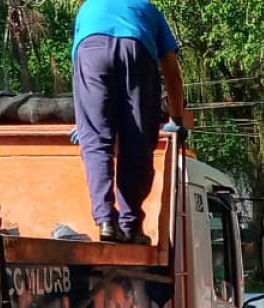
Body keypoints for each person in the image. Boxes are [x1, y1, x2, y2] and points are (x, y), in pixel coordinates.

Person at [72, 0, 190, 244]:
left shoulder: (88, 8)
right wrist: (176, 118)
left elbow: (81, 69)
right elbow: (171, 69)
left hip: (90, 51)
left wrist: (85, 123)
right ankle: (131, 225)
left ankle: (105, 221)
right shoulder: (148, 9)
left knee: (96, 142)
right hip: (136, 48)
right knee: (137, 139)